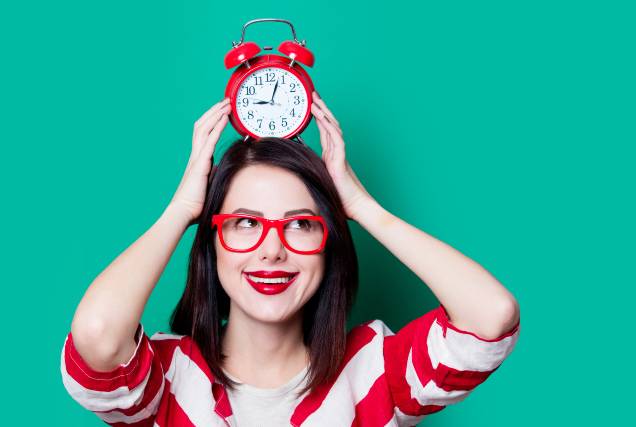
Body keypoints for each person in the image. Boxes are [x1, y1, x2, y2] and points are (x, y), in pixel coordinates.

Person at [60, 92, 521, 426]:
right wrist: (181, 211)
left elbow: (491, 317)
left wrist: (363, 207)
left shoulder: (374, 372)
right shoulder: (168, 380)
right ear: (212, 241)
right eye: (245, 223)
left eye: (301, 223)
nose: (272, 249)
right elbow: (97, 335)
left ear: (328, 241)